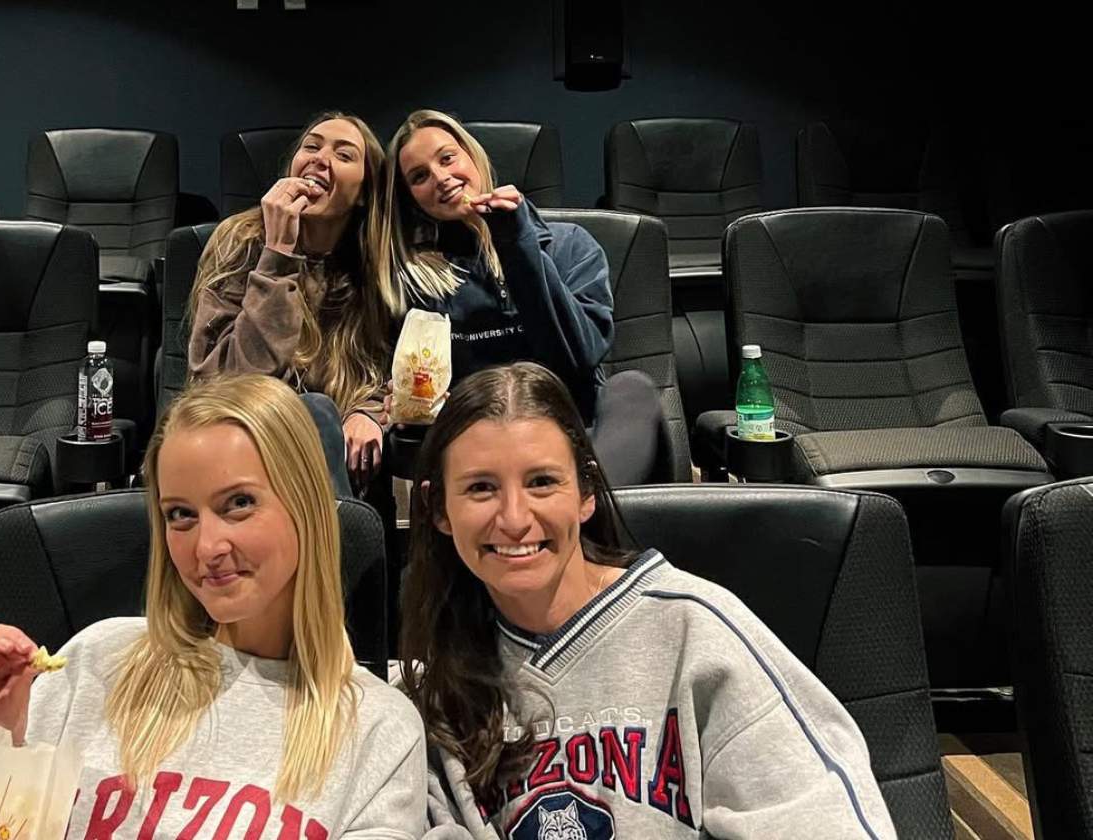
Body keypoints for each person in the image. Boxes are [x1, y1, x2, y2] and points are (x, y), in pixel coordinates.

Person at [0, 374, 427, 840]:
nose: (207, 548)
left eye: (238, 504)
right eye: (180, 514)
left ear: (307, 505)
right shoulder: (92, 662)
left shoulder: (379, 731)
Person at [400, 362, 895, 840]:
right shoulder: (433, 687)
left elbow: (822, 820)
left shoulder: (695, 630)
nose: (513, 517)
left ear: (587, 492)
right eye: (481, 488)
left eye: (542, 482)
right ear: (439, 509)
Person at [382, 110, 662, 486]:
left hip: (576, 433)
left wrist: (518, 246)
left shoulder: (570, 245)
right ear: (413, 200)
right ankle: (580, 514)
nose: (441, 177)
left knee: (634, 388)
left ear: (472, 156)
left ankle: (582, 506)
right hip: (485, 444)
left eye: (447, 158)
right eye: (419, 177)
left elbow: (576, 357)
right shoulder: (418, 279)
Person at [189, 111, 399, 494]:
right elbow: (230, 385)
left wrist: (368, 413)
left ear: (366, 192)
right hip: (240, 439)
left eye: (344, 155)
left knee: (326, 420)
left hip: (342, 464)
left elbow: (396, 369)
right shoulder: (241, 241)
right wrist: (278, 256)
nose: (320, 159)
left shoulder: (376, 265)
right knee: (315, 411)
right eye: (311, 147)